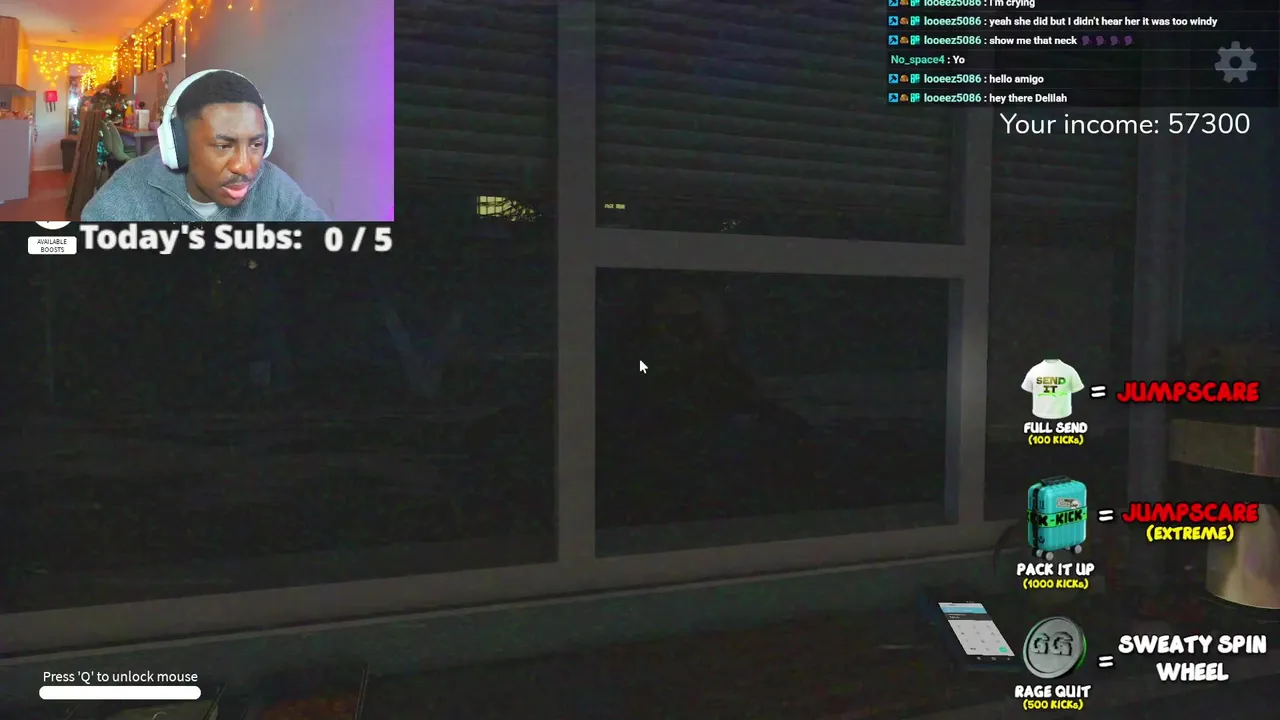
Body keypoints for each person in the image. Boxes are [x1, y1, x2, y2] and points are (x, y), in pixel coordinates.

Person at [81, 70, 328, 222]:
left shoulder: (273, 186)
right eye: (222, 146)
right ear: (178, 145)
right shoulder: (131, 189)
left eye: (256, 144)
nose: (245, 167)